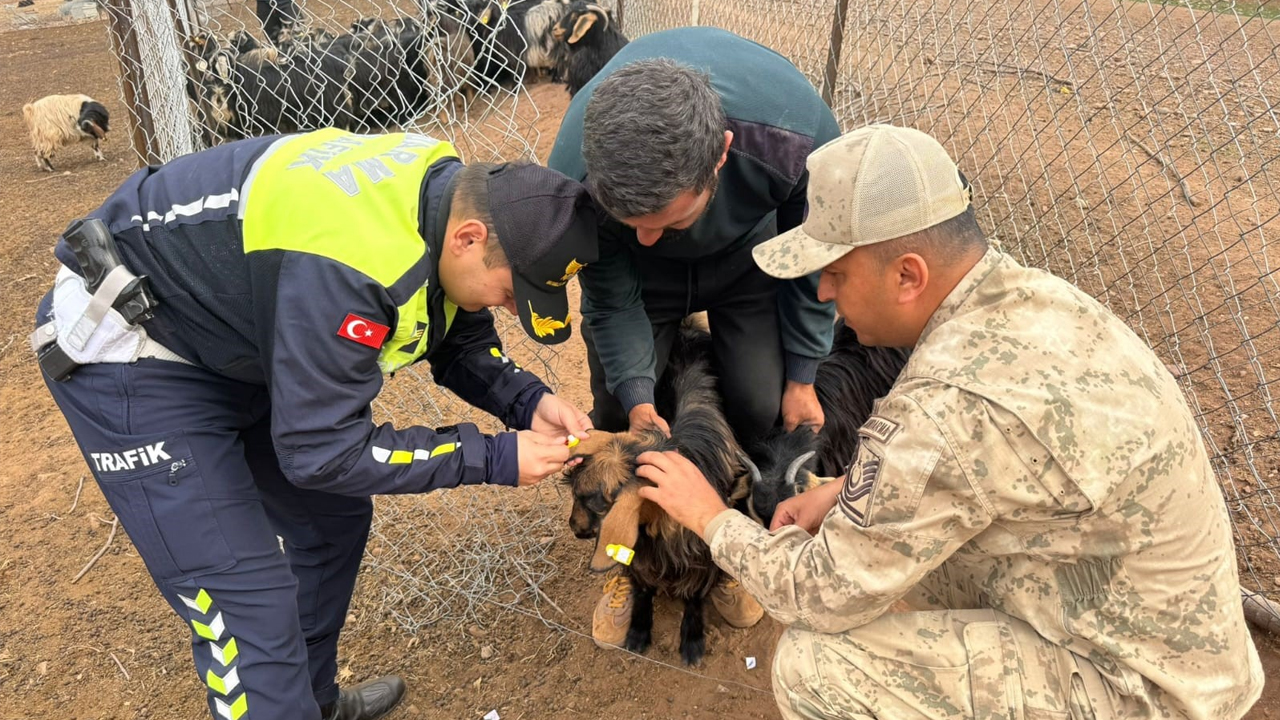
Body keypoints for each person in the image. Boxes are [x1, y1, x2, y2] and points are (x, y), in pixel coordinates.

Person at [634, 125, 1264, 719]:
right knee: (901, 556)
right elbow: (954, 476)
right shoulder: (1026, 298)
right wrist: (841, 492)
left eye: (837, 271)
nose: (823, 293)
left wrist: (709, 516)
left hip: (1143, 692)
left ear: (908, 275)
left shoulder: (948, 407)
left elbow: (821, 593)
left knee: (814, 662)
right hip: (1160, 635)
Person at [31, 128, 597, 720]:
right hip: (135, 349)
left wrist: (525, 401)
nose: (509, 309)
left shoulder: (444, 191)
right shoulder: (349, 261)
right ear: (469, 237)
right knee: (248, 609)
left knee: (330, 519)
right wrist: (496, 456)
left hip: (230, 336)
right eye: (511, 292)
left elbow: (451, 321)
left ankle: (308, 704)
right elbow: (321, 450)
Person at [547, 26, 841, 647]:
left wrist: (804, 373)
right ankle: (627, 562)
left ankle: (721, 540)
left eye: (668, 218)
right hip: (637, 282)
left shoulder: (795, 137)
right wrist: (636, 398)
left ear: (723, 154)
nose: (652, 235)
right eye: (636, 222)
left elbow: (811, 259)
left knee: (760, 405)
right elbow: (608, 293)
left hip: (748, 261)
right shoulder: (578, 165)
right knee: (616, 410)